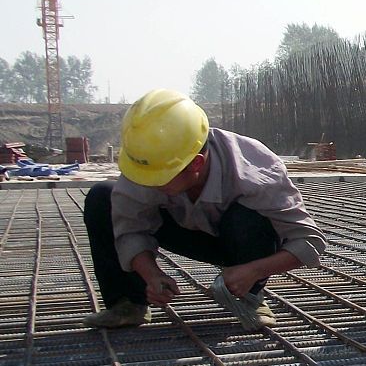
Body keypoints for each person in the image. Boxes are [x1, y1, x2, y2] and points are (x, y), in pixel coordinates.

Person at [82, 89, 326, 330]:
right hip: (185, 230)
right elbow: (129, 228)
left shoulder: (255, 171)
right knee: (102, 198)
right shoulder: (148, 160)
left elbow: (309, 241)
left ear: (196, 163)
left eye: (160, 178)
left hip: (240, 239)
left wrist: (254, 270)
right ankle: (127, 305)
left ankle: (249, 297)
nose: (148, 182)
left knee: (248, 218)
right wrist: (151, 274)